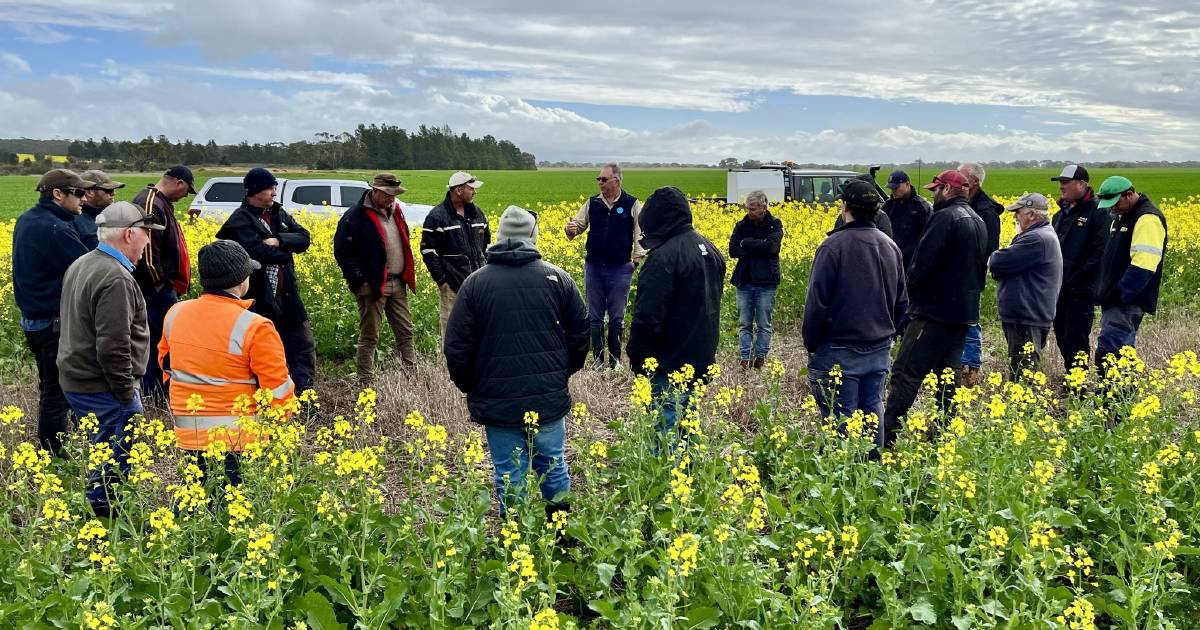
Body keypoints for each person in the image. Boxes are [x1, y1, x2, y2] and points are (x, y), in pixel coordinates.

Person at [444, 206, 588, 514]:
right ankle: (560, 533)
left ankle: (516, 536)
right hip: (548, 396)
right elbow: (581, 334)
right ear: (534, 237)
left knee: (509, 472)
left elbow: (456, 347)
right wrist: (561, 373)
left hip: (498, 402)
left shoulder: (475, 284)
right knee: (553, 464)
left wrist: (473, 386)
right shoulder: (558, 278)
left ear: (497, 237)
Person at [158, 240, 295, 487]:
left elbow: (165, 365)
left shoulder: (175, 313)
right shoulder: (256, 326)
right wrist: (279, 427)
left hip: (190, 434)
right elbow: (277, 388)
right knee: (233, 509)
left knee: (196, 502)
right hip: (239, 440)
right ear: (243, 280)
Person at [57, 202, 159, 517]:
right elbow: (113, 346)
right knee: (113, 460)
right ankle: (105, 522)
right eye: (145, 233)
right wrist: (126, 393)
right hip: (103, 386)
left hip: (78, 379)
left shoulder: (84, 262)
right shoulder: (115, 278)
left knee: (102, 452)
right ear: (129, 234)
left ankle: (102, 515)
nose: (147, 241)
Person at [880, 170, 986, 449]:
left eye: (936, 189)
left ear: (949, 190)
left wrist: (908, 293)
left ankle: (887, 436)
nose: (932, 194)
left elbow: (920, 266)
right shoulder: (977, 219)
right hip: (963, 315)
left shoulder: (944, 218)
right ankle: (942, 433)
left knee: (906, 372)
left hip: (933, 313)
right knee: (947, 376)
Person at [802, 180, 907, 433]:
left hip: (840, 346)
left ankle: (845, 471)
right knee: (873, 408)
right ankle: (873, 467)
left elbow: (817, 303)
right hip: (880, 346)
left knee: (842, 416)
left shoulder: (832, 246)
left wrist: (812, 345)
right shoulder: (890, 245)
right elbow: (902, 302)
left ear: (845, 206)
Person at [626, 187, 726, 433]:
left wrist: (639, 360)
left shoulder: (662, 259)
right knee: (689, 430)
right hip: (700, 360)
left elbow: (647, 318)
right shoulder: (710, 249)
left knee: (666, 437)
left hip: (667, 365)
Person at [12, 169, 94, 455]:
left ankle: (54, 446)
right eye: (79, 193)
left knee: (49, 387)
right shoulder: (54, 228)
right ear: (58, 194)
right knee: (57, 392)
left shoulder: (28, 219)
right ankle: (53, 453)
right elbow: (89, 267)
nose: (85, 199)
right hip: (52, 322)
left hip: (35, 320)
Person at [216, 168, 316, 392]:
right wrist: (287, 250)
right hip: (259, 298)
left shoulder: (278, 214)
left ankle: (304, 397)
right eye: (270, 188)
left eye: (274, 188)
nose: (274, 193)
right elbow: (259, 254)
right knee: (264, 351)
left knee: (303, 345)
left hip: (287, 294)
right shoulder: (239, 221)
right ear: (255, 191)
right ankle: (266, 398)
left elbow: (305, 238)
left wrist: (279, 240)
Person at [334, 174, 418, 383]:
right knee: (370, 336)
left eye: (395, 195)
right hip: (371, 285)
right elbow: (343, 252)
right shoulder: (354, 216)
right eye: (389, 195)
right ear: (376, 191)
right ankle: (366, 381)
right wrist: (359, 281)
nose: (393, 199)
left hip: (397, 282)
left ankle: (412, 376)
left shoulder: (396, 212)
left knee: (406, 331)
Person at [564, 164, 645, 369]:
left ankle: (616, 361)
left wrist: (636, 260)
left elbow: (640, 233)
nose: (600, 182)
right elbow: (577, 228)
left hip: (620, 268)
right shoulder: (592, 203)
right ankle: (598, 361)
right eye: (598, 179)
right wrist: (570, 229)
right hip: (594, 267)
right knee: (595, 316)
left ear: (616, 181)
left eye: (603, 179)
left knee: (617, 317)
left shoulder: (632, 204)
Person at [132, 165, 196, 400]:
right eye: (186, 191)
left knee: (162, 342)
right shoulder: (150, 202)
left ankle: (160, 390)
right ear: (178, 183)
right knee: (156, 344)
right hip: (155, 293)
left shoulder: (158, 201)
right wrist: (160, 284)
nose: (184, 197)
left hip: (163, 289)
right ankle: (153, 392)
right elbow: (148, 249)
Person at [1093, 176, 1167, 368]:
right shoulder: (1122, 216)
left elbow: (1144, 265)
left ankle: (1116, 395)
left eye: (1115, 202)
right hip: (1116, 301)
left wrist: (1120, 294)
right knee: (1115, 352)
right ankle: (1121, 394)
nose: (1112, 208)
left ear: (1129, 194)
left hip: (1126, 302)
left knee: (1112, 353)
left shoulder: (1147, 218)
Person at [988, 193, 1063, 379]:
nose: (1015, 217)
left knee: (1023, 374)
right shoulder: (1040, 235)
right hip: (1026, 314)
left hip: (1026, 316)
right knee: (1022, 368)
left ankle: (1024, 406)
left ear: (1031, 215)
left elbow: (997, 263)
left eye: (1018, 212)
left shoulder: (1036, 239)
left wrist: (994, 260)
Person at [1050, 164, 1110, 371]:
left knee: (1076, 337)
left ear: (1082, 184)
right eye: (1060, 182)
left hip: (1080, 289)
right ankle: (1071, 377)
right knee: (1061, 334)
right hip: (1059, 289)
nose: (1061, 187)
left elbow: (1100, 251)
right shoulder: (1060, 215)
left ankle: (1078, 386)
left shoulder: (1098, 211)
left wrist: (1077, 277)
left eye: (1066, 182)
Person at [420, 171, 490, 338]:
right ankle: (450, 365)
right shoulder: (437, 217)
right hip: (453, 286)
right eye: (471, 188)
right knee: (453, 332)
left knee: (480, 330)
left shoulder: (478, 213)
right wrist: (442, 281)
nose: (475, 192)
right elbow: (428, 250)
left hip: (479, 285)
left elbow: (486, 245)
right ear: (459, 190)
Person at [957, 162, 1003, 386]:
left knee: (970, 322)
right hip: (957, 276)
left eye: (962, 175)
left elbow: (990, 247)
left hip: (971, 276)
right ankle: (958, 365)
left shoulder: (986, 209)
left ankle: (970, 370)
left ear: (974, 181)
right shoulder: (965, 202)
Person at [729, 189, 784, 369]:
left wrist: (747, 243)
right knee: (744, 323)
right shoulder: (741, 224)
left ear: (763, 207)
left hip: (766, 282)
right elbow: (733, 250)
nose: (749, 212)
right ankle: (745, 359)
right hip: (744, 281)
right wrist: (758, 245)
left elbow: (771, 248)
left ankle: (760, 358)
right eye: (748, 208)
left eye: (753, 209)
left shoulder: (775, 224)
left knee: (763, 324)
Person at [881, 170, 933, 269]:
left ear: (907, 184)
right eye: (891, 188)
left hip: (911, 263)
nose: (893, 191)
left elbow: (928, 238)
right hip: (890, 260)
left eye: (896, 188)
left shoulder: (921, 207)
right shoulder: (887, 206)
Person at [75, 170, 125, 249]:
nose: (113, 194)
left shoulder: (108, 216)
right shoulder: (77, 222)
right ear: (89, 192)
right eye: (109, 190)